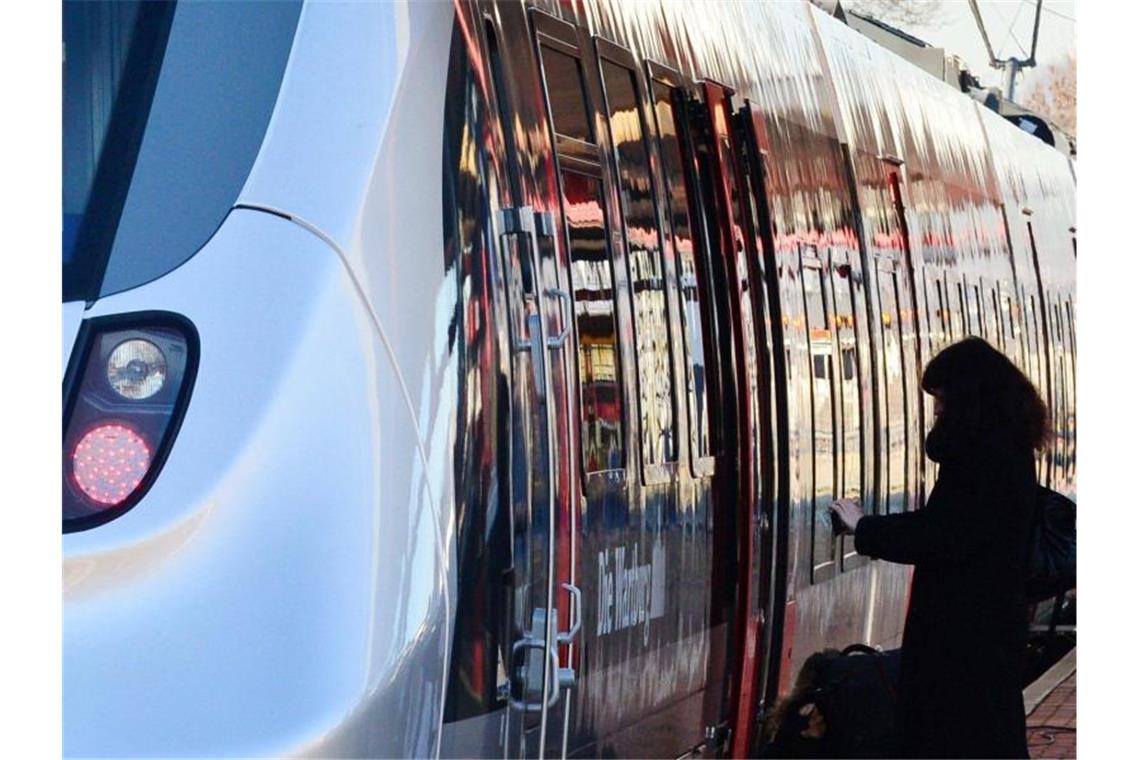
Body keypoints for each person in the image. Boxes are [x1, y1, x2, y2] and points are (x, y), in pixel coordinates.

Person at [830, 337, 1047, 758]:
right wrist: (870, 525)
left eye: (943, 399)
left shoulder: (986, 459)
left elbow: (943, 535)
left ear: (968, 399)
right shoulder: (1002, 451)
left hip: (962, 652)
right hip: (979, 646)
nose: (936, 410)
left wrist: (865, 528)